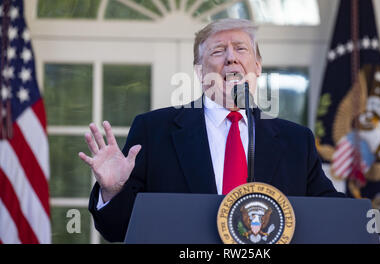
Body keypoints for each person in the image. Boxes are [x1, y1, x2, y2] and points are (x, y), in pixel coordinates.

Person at [78, 19, 345, 242]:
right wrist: (113, 191)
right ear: (199, 71)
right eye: (218, 51)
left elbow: (330, 216)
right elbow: (118, 230)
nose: (231, 58)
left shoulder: (296, 141)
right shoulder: (153, 130)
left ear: (258, 66)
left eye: (241, 49)